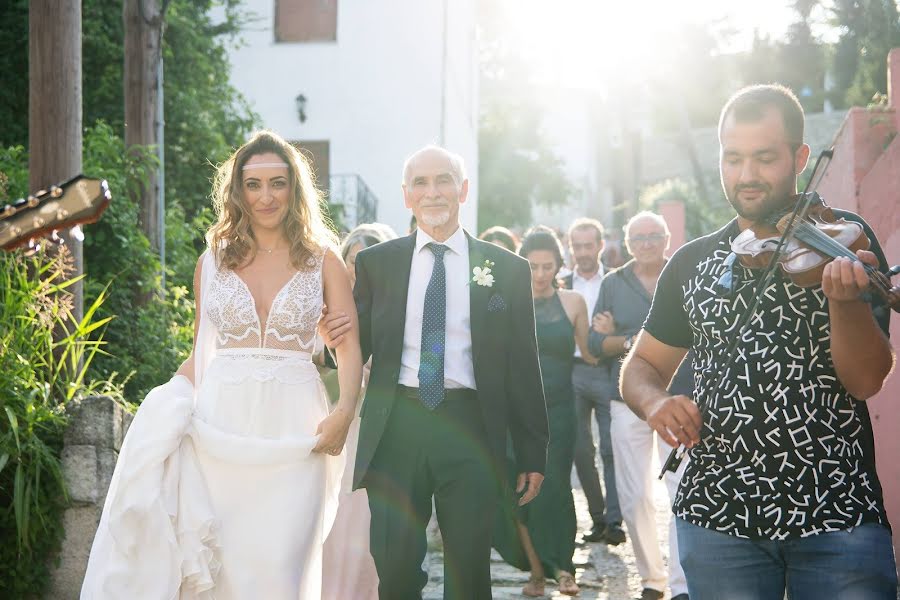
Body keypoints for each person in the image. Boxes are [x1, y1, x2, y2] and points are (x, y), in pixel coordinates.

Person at [621, 84, 897, 599]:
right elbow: (641, 368)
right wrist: (657, 402)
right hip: (717, 515)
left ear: (799, 157)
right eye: (734, 159)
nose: (747, 175)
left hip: (837, 513)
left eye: (765, 158)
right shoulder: (692, 262)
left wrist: (845, 301)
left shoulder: (842, 238)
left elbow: (866, 379)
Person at [81, 130, 363, 599]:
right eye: (254, 184)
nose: (266, 196)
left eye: (278, 183)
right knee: (226, 573)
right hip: (221, 428)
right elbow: (200, 353)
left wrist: (345, 410)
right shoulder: (211, 262)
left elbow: (348, 347)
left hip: (297, 431)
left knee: (282, 573)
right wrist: (169, 400)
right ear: (238, 190)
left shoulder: (324, 262)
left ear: (295, 187)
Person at [319, 145, 549, 600]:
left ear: (462, 189)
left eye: (443, 180)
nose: (433, 192)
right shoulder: (376, 263)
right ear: (406, 196)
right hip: (397, 427)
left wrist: (531, 453)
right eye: (420, 183)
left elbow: (523, 364)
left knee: (468, 573)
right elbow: (351, 343)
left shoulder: (505, 269)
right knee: (396, 570)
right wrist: (331, 342)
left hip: (470, 427)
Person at [493, 226, 598, 597]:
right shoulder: (507, 300)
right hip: (516, 412)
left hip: (559, 410)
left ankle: (564, 569)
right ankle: (536, 572)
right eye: (533, 266)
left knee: (555, 487)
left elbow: (589, 353)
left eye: (547, 266)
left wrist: (618, 334)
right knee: (519, 487)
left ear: (558, 265)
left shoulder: (573, 303)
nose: (540, 274)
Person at [589, 211, 688, 600]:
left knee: (682, 490)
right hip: (626, 399)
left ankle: (680, 583)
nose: (645, 243)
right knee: (635, 494)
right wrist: (638, 344)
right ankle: (653, 579)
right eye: (637, 238)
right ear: (627, 244)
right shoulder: (613, 284)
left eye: (653, 236)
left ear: (666, 238)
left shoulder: (683, 272)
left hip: (679, 396)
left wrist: (621, 339)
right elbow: (596, 345)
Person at [320, 223, 397, 599]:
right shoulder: (324, 305)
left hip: (375, 430)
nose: (359, 269)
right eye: (354, 260)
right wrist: (332, 353)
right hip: (328, 418)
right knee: (327, 522)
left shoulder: (393, 311)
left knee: (362, 526)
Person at [561, 217, 627, 546]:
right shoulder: (561, 284)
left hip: (606, 369)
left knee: (612, 447)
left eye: (589, 245)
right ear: (570, 248)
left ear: (601, 245)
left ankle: (615, 521)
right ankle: (598, 516)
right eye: (577, 246)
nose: (583, 252)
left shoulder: (617, 282)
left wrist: (613, 333)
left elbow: (630, 322)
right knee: (580, 449)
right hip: (570, 372)